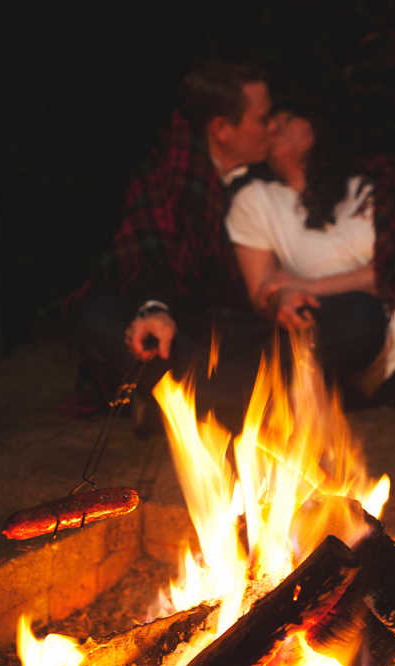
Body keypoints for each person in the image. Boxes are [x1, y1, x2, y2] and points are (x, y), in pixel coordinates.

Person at [65, 61, 280, 431]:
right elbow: (146, 253)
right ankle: (248, 401)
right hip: (180, 320)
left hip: (236, 324)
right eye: (263, 118)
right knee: (98, 317)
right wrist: (155, 309)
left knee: (346, 321)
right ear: (221, 129)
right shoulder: (171, 175)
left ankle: (174, 396)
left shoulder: (272, 177)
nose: (273, 127)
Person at [225, 108, 395, 396]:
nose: (275, 128)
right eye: (268, 124)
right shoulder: (256, 200)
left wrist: (306, 285)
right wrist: (283, 297)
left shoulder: (371, 185)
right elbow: (266, 290)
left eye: (287, 119)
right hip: (371, 342)